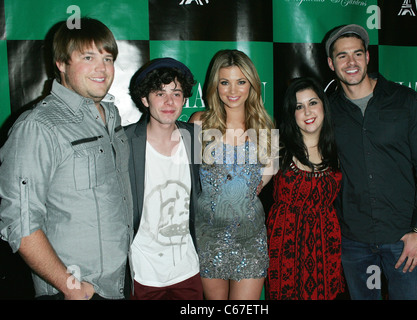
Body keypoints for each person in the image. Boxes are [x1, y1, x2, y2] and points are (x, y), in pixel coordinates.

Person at [0, 18, 133, 300]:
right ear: (61, 63)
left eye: (108, 58)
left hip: (120, 283)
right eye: (88, 57)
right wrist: (71, 287)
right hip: (75, 291)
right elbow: (20, 223)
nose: (102, 68)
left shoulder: (112, 117)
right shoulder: (38, 126)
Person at [325, 24, 417, 300]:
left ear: (367, 57)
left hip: (404, 239)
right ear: (331, 64)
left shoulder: (405, 101)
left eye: (357, 53)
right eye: (342, 56)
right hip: (354, 242)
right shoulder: (328, 111)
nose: (351, 62)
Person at [189, 49, 276, 300]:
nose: (232, 90)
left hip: (250, 239)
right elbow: (189, 178)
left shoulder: (265, 128)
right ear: (215, 86)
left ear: (252, 85)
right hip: (208, 238)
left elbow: (260, 185)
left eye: (241, 82)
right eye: (224, 82)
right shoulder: (199, 123)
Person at [125, 57, 203, 300]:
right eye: (160, 93)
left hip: (188, 270)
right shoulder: (124, 143)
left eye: (176, 93)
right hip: (143, 272)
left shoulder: (195, 138)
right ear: (145, 99)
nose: (170, 102)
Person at [266, 77, 344, 300]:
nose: (307, 112)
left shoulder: (338, 148)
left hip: (325, 244)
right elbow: (253, 188)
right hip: (284, 248)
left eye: (312, 102)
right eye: (299, 106)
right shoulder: (276, 145)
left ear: (323, 105)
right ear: (292, 113)